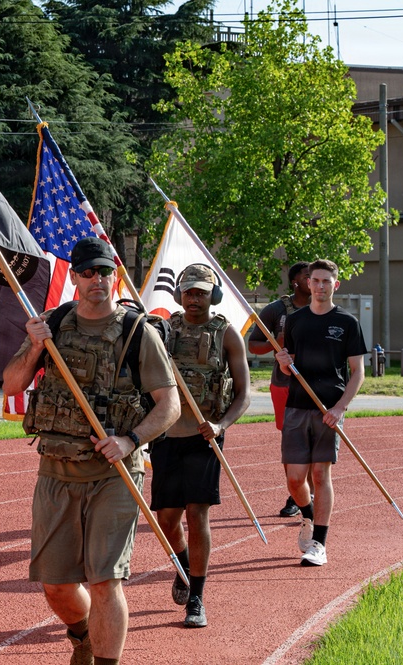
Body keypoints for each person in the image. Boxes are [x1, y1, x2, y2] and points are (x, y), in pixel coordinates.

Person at [2, 236, 180, 665]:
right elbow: (11, 385)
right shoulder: (52, 325)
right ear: (76, 279)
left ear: (114, 274)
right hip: (57, 471)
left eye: (104, 271)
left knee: (105, 582)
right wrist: (35, 346)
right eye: (88, 272)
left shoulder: (138, 333)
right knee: (56, 585)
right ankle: (83, 637)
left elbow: (169, 404)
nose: (97, 279)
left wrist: (130, 440)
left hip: (113, 473)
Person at [152, 264, 251, 628]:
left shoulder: (226, 334)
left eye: (201, 293)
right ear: (180, 294)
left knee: (197, 514)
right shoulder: (163, 330)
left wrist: (221, 424)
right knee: (166, 519)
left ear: (215, 296)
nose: (194, 299)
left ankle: (197, 596)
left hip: (205, 436)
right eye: (189, 292)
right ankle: (184, 563)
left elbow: (243, 395)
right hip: (165, 435)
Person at [274, 259, 366, 567]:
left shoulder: (348, 323)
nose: (321, 286)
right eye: (316, 280)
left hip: (328, 410)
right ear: (307, 283)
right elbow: (289, 369)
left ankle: (319, 544)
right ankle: (309, 515)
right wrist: (284, 362)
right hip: (297, 408)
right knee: (294, 479)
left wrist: (340, 409)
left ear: (335, 285)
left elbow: (357, 372)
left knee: (319, 473)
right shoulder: (296, 321)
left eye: (327, 281)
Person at [248, 261, 311, 518]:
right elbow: (253, 344)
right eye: (308, 276)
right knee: (292, 443)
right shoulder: (276, 310)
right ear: (295, 281)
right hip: (285, 385)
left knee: (316, 442)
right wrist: (277, 345)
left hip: (319, 385)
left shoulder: (325, 309)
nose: (314, 281)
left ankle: (311, 491)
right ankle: (296, 494)